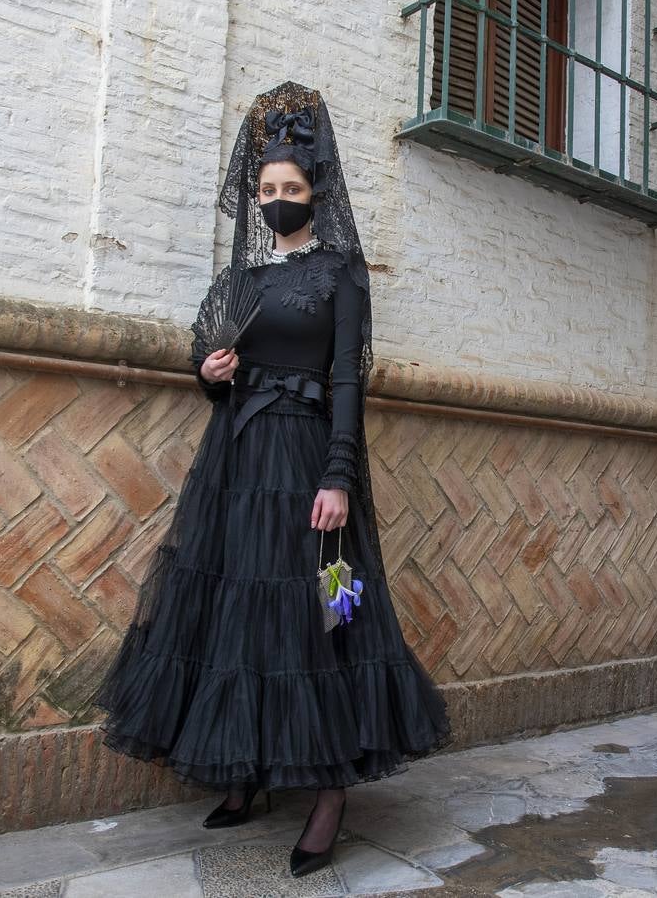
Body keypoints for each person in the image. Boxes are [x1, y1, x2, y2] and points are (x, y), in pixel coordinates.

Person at [93, 80, 453, 879]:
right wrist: (211, 372)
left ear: (316, 193)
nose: (277, 201)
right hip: (236, 462)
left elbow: (350, 382)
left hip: (307, 466)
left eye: (290, 189)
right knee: (234, 614)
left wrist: (339, 475)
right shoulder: (240, 284)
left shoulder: (341, 274)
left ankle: (329, 792)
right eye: (266, 191)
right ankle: (246, 773)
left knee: (326, 615)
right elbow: (213, 369)